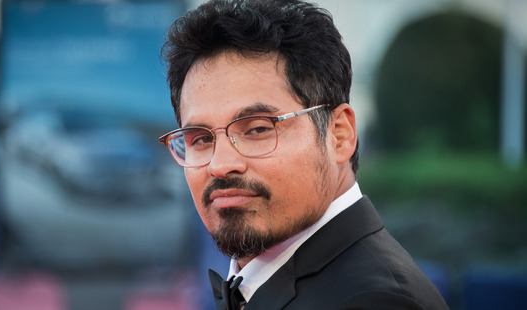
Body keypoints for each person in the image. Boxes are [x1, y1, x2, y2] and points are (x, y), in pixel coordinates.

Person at [158, 0, 449, 309]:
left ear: (339, 135)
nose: (221, 165)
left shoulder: (374, 301)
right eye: (200, 138)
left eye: (258, 129)